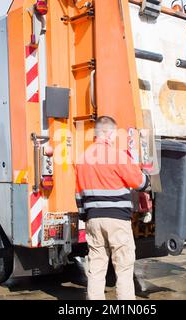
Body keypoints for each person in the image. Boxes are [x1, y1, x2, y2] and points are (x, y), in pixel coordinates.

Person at [75, 116, 150, 300]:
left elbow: (78, 195)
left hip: (93, 219)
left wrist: (86, 217)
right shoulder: (117, 156)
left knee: (96, 268)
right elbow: (139, 182)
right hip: (117, 220)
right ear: (108, 133)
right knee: (123, 267)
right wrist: (147, 178)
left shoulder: (82, 159)